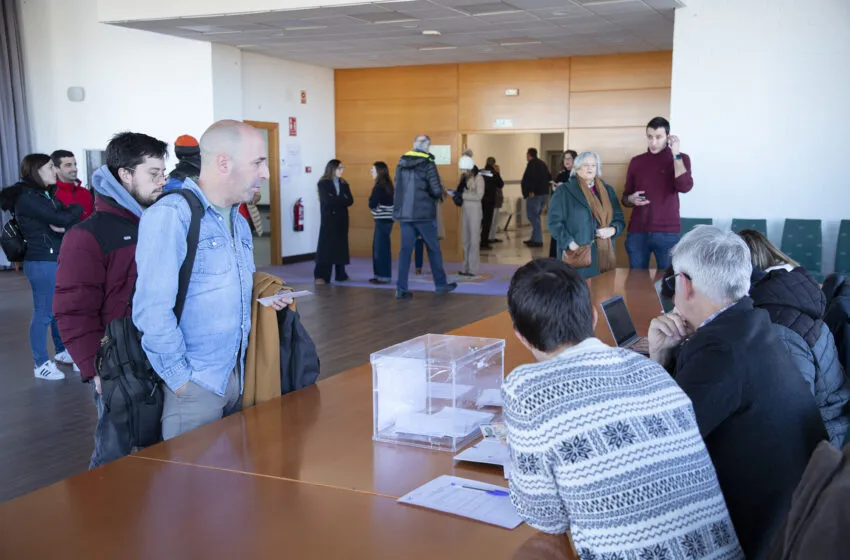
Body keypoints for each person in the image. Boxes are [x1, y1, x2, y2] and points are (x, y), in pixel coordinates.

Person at [504, 258, 743, 559]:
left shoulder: (525, 389)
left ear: (521, 337)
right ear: (593, 317)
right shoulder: (653, 371)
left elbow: (547, 519)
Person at [649, 226, 826, 558]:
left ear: (685, 285)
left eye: (672, 283)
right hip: (801, 517)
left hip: (767, 539)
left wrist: (658, 359)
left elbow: (659, 447)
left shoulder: (719, 350)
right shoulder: (753, 324)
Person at [133, 120, 289, 440]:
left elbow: (219, 291)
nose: (266, 174)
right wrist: (182, 381)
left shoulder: (239, 222)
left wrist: (264, 302)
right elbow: (151, 310)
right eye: (258, 163)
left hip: (237, 378)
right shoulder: (171, 215)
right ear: (223, 162)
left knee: (231, 485)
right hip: (196, 388)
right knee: (194, 489)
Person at [54, 132, 169, 467]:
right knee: (117, 456)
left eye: (163, 173)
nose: (161, 181)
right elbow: (73, 309)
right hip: (118, 365)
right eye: (153, 174)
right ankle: (101, 517)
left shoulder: (156, 223)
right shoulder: (87, 235)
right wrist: (95, 370)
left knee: (154, 455)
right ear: (125, 175)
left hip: (158, 358)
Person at [738, 229, 850, 447]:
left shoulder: (778, 325)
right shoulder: (790, 289)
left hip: (820, 443)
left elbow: (791, 415)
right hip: (824, 422)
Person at [7, 154, 83, 379]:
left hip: (53, 257)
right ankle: (40, 364)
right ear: (36, 171)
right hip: (41, 261)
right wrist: (70, 214)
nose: (55, 171)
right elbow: (62, 219)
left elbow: (65, 219)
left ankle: (61, 351)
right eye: (50, 167)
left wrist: (65, 219)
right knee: (44, 312)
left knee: (56, 309)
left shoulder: (44, 194)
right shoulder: (27, 197)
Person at [622, 116, 694, 270]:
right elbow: (625, 198)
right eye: (650, 137)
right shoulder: (636, 162)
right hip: (637, 232)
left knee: (669, 282)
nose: (653, 142)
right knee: (636, 283)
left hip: (667, 233)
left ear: (668, 137)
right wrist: (631, 199)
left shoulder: (681, 159)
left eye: (658, 137)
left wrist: (676, 155)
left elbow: (684, 186)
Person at [393, 134, 457, 299]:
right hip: (424, 215)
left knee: (405, 251)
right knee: (433, 249)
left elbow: (398, 187)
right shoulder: (428, 163)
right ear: (427, 147)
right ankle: (441, 284)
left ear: (414, 145)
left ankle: (401, 288)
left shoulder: (401, 162)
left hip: (405, 215)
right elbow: (436, 190)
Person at [547, 151, 625, 279]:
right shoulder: (564, 191)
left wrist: (612, 230)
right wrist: (569, 242)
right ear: (576, 168)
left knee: (602, 294)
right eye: (585, 165)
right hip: (577, 254)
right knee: (577, 294)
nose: (590, 168)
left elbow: (619, 219)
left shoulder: (607, 190)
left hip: (603, 254)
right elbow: (553, 223)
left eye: (593, 165)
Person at [314, 159, 353, 284]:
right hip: (328, 219)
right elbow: (327, 200)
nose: (342, 170)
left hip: (342, 219)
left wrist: (337, 198)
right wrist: (341, 199)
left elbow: (350, 200)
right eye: (339, 168)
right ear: (332, 169)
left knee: (341, 246)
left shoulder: (344, 183)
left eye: (342, 168)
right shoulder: (323, 183)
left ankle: (340, 274)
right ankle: (322, 276)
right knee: (326, 247)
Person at [458, 150, 484, 276]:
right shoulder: (464, 178)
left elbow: (479, 196)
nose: (463, 171)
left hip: (475, 211)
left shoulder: (479, 178)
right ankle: (465, 266)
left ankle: (473, 268)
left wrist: (463, 195)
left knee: (474, 240)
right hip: (465, 210)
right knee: (465, 240)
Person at [368, 161, 394, 284]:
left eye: (373, 170)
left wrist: (376, 212)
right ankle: (383, 275)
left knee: (379, 249)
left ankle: (381, 277)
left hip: (381, 220)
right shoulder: (389, 185)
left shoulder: (378, 187)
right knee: (384, 248)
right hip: (389, 220)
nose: (371, 172)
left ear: (379, 172)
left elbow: (372, 204)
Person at [549, 150, 577, 258]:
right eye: (565, 158)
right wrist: (556, 189)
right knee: (557, 234)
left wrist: (564, 188)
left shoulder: (578, 175)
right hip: (560, 210)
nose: (567, 161)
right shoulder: (561, 175)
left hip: (571, 212)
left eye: (569, 158)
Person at [520, 147, 550, 247]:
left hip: (535, 194)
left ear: (529, 155)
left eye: (527, 154)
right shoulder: (543, 164)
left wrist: (531, 190)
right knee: (536, 217)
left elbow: (532, 178)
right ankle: (534, 238)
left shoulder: (532, 164)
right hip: (544, 194)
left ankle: (538, 240)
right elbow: (549, 177)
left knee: (532, 216)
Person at [51, 149, 93, 220]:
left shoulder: (85, 193)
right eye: (68, 165)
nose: (75, 169)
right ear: (56, 169)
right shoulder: (51, 196)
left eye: (75, 164)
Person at [479, 156, 503, 250]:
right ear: (493, 164)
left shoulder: (481, 172)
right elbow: (501, 184)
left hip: (481, 200)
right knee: (487, 222)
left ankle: (480, 240)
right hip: (490, 200)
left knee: (481, 221)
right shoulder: (494, 173)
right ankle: (484, 242)